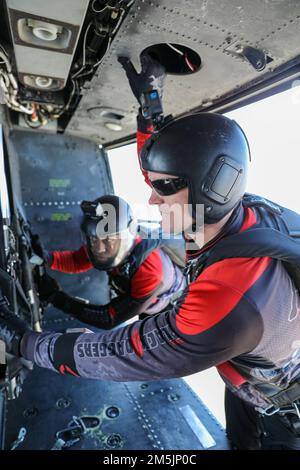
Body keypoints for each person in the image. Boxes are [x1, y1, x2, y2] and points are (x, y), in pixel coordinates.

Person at [1, 61, 300, 450]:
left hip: (284, 412)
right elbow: (174, 168)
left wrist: (24, 341)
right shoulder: (238, 210)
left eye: (162, 189)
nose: (151, 198)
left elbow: (116, 351)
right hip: (247, 376)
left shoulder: (226, 298)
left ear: (204, 194)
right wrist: (150, 108)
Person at [34, 194, 186, 329]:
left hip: (167, 308)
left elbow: (108, 318)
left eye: (108, 239)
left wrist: (57, 298)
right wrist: (46, 258)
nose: (99, 248)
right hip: (137, 292)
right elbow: (76, 260)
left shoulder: (149, 271)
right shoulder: (111, 247)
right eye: (93, 239)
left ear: (125, 237)